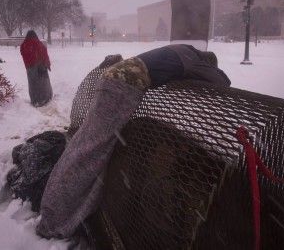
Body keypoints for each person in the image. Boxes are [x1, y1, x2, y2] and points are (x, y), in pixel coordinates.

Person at [36, 44, 231, 239]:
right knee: (91, 153)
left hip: (114, 80)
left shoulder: (179, 51)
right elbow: (221, 80)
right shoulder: (192, 57)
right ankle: (55, 217)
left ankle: (56, 209)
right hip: (122, 86)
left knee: (86, 147)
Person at [20, 30, 53, 107]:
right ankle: (45, 98)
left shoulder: (24, 45)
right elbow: (44, 53)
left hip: (30, 68)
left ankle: (35, 99)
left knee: (33, 84)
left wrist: (29, 64)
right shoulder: (38, 43)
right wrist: (47, 64)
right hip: (41, 66)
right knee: (43, 83)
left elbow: (23, 54)